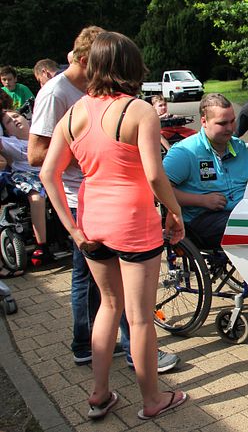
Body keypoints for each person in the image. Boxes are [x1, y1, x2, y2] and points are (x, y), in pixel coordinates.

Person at [40, 31, 188, 421]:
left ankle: (99, 394)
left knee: (107, 306)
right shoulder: (138, 111)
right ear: (130, 67)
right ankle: (152, 399)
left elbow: (47, 174)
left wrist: (72, 229)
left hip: (92, 221)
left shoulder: (72, 114)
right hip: (133, 221)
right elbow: (155, 176)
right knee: (139, 318)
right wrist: (175, 212)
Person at [163, 94, 248, 342]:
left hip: (243, 213)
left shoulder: (238, 147)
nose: (230, 129)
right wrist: (201, 200)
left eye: (232, 121)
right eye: (222, 123)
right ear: (203, 121)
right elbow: (159, 189)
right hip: (202, 220)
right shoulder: (186, 153)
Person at [0, 110, 51, 267]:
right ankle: (41, 245)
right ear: (7, 131)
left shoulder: (42, 134)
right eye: (9, 122)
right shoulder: (10, 142)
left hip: (49, 172)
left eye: (15, 116)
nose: (14, 120)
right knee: (37, 197)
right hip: (25, 175)